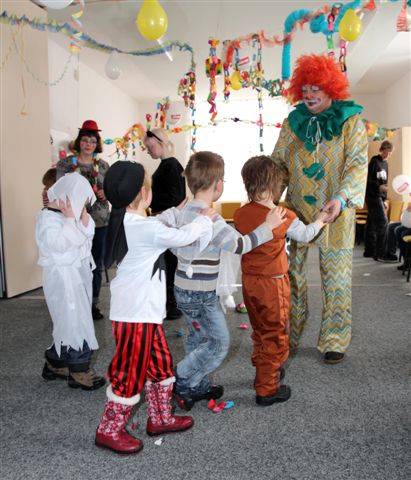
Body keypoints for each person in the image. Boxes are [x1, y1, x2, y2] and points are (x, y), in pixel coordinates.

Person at [95, 161, 215, 455]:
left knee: (160, 364)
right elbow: (182, 236)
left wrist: (176, 210)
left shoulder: (125, 220)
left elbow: (159, 224)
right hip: (136, 316)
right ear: (145, 193)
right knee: (129, 372)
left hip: (142, 314)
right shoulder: (145, 228)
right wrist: (205, 218)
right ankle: (108, 430)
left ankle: (159, 418)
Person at [271, 54, 368, 364]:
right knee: (292, 278)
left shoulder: (351, 122)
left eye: (317, 88)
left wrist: (341, 199)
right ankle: (290, 335)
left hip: (336, 212)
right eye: (306, 88)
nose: (310, 95)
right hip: (296, 210)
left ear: (331, 89)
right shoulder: (293, 123)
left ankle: (335, 339)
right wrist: (267, 197)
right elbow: (279, 164)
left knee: (337, 277)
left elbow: (355, 165)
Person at [171, 151, 287, 410]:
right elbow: (241, 245)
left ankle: (194, 385)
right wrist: (267, 226)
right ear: (218, 185)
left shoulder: (183, 211)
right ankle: (178, 375)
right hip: (201, 294)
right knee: (219, 342)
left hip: (183, 289)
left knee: (198, 337)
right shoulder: (211, 219)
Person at [234, 156, 327, 406]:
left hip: (249, 283)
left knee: (260, 329)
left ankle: (263, 369)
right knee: (275, 333)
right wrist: (321, 219)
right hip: (273, 284)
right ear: (275, 184)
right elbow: (307, 235)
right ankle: (266, 387)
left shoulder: (240, 214)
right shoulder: (283, 215)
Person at [36, 172, 105, 391]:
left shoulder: (70, 215)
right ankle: (79, 371)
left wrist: (82, 220)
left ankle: (55, 362)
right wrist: (69, 221)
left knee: (72, 321)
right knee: (74, 321)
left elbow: (85, 237)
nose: (81, 206)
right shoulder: (47, 218)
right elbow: (59, 246)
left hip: (76, 278)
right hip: (62, 280)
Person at [56, 120, 110, 321]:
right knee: (74, 262)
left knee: (95, 263)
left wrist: (107, 192)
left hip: (99, 221)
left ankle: (93, 303)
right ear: (79, 142)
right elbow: (59, 190)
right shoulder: (66, 165)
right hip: (74, 221)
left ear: (97, 145)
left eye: (92, 141)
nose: (88, 144)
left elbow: (113, 190)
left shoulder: (103, 166)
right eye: (85, 140)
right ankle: (73, 301)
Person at [143, 128, 186, 320]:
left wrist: (148, 197)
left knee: (169, 264)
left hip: (167, 220)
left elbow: (176, 197)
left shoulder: (171, 165)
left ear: (161, 144)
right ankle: (169, 303)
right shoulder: (167, 165)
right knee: (166, 263)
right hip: (164, 219)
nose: (148, 151)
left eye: (150, 147)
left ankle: (171, 305)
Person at [364, 140, 394, 260]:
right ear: (382, 149)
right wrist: (378, 187)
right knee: (383, 223)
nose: (389, 155)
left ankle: (369, 251)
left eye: (391, 153)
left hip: (379, 198)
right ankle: (381, 253)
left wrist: (384, 200)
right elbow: (366, 181)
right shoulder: (374, 162)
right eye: (388, 152)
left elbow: (385, 184)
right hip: (372, 196)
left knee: (371, 224)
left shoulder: (386, 164)